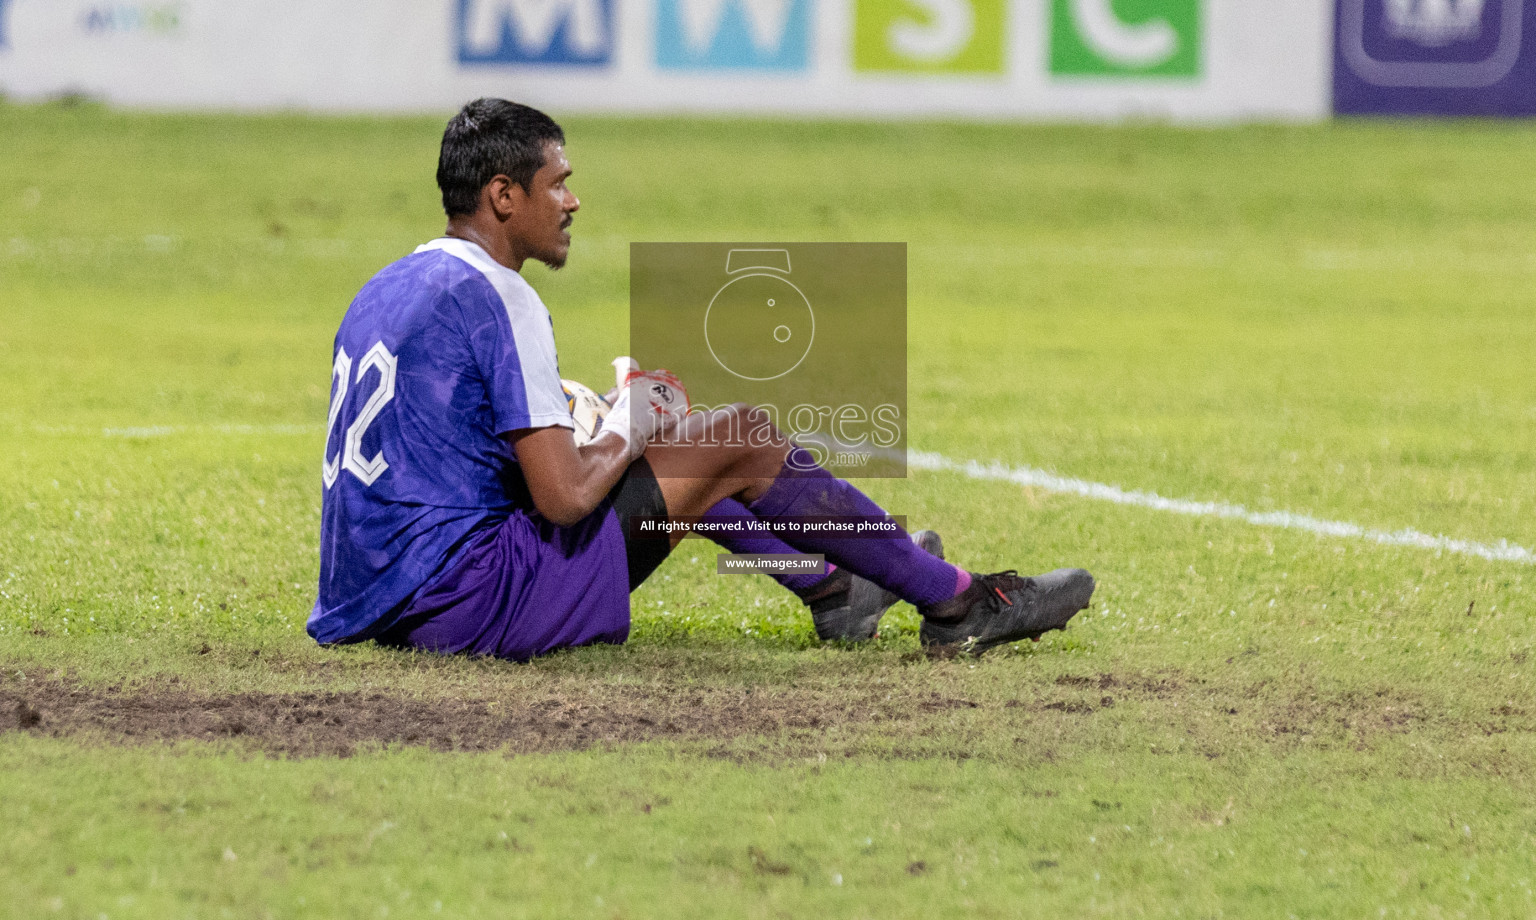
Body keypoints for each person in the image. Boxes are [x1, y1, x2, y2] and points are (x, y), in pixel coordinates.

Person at [308, 98, 1095, 661]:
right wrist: (638, 419)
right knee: (738, 438)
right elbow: (564, 497)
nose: (573, 200)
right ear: (503, 197)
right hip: (467, 605)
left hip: (374, 600)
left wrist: (621, 425)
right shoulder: (500, 294)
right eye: (558, 183)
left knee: (673, 447)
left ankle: (833, 589)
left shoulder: (388, 285)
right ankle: (960, 604)